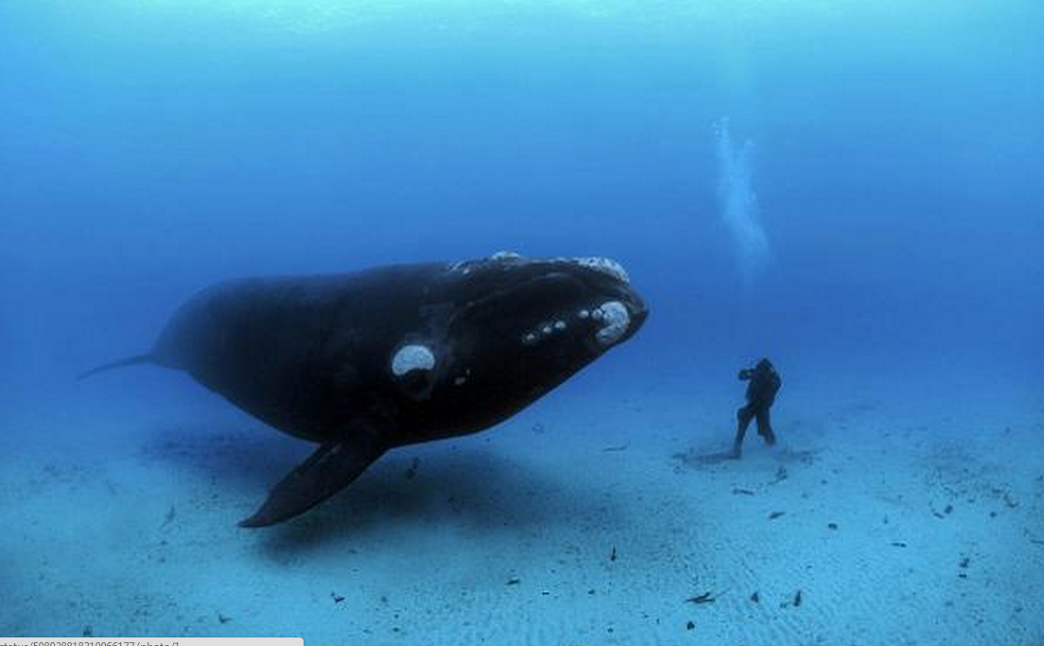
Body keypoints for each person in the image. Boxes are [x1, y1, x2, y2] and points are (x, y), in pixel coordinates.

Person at [731, 358, 782, 459]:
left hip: (763, 405)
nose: (761, 372)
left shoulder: (773, 377)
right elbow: (741, 376)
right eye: (759, 369)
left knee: (764, 428)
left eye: (763, 370)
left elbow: (777, 384)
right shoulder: (756, 373)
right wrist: (746, 373)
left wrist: (767, 395)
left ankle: (772, 446)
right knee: (743, 421)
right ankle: (736, 448)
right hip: (753, 403)